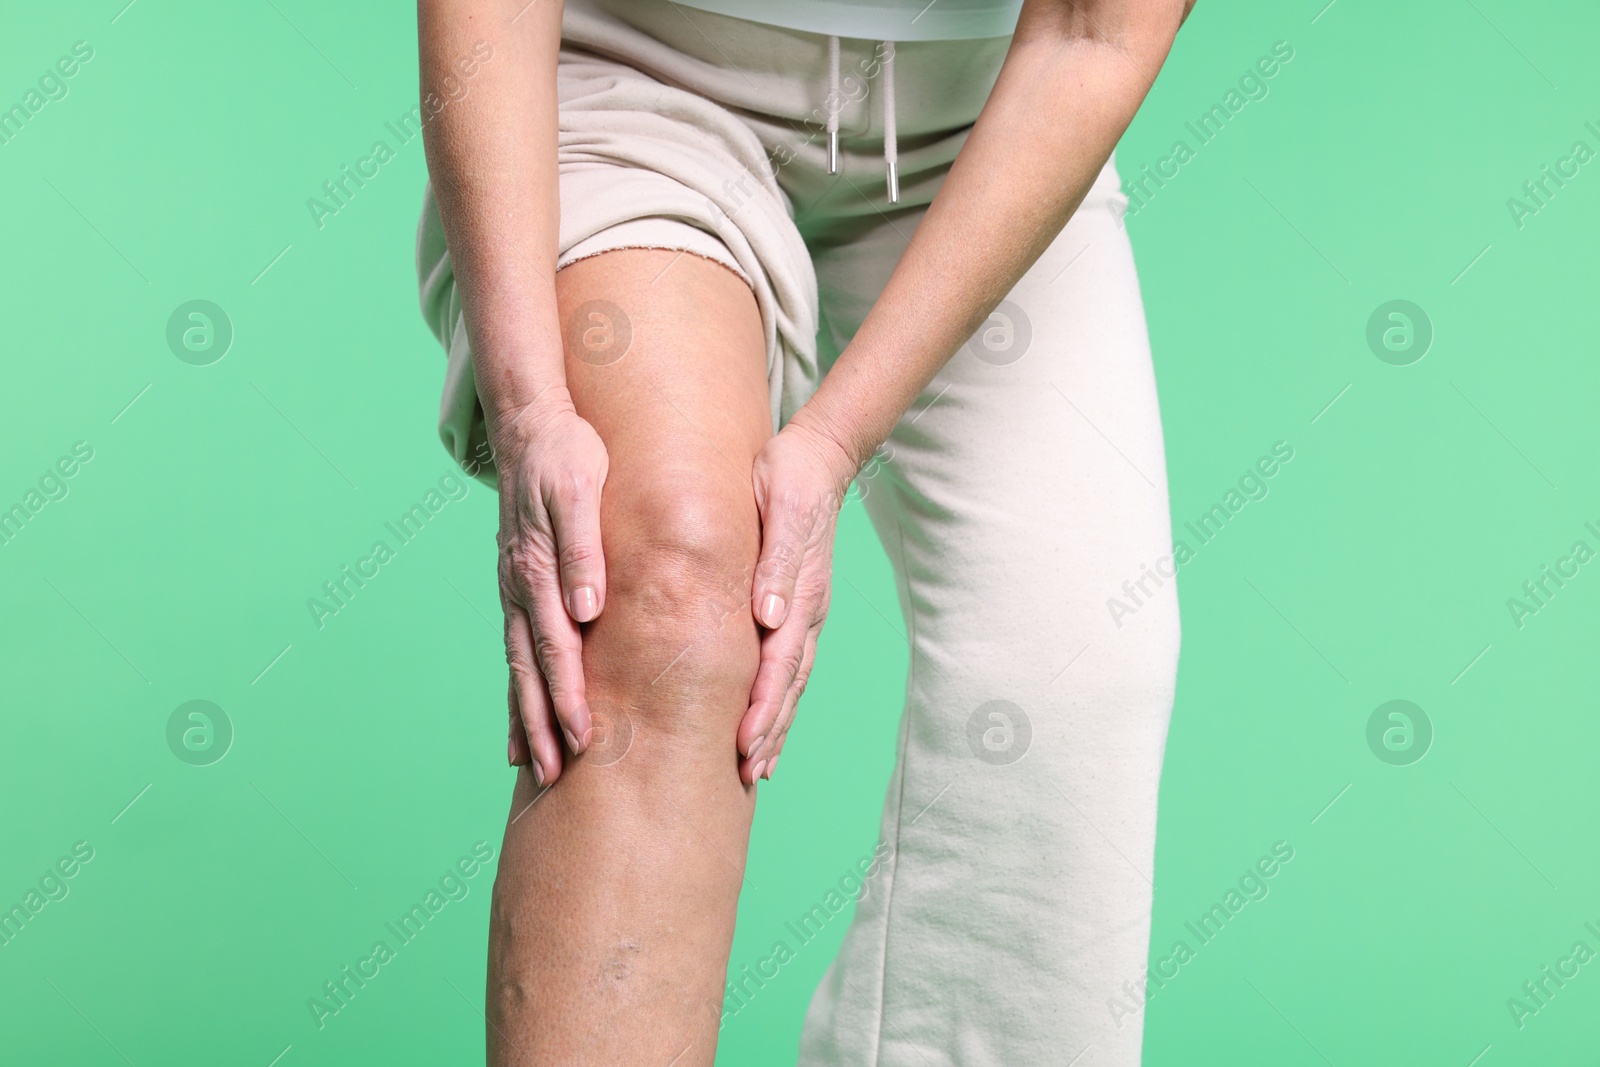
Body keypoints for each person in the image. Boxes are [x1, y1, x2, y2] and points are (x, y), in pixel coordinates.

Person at [415, 0, 1191, 1062]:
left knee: (1074, 666)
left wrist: (830, 443)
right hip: (646, 69)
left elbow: (1093, 32)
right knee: (661, 580)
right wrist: (530, 407)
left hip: (986, 116)